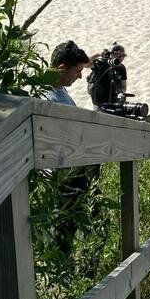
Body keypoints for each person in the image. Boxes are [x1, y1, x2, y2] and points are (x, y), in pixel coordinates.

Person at [44, 41, 102, 258]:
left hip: (75, 172)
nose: (79, 77)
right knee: (64, 233)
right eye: (76, 71)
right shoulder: (47, 97)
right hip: (63, 178)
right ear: (60, 68)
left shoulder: (59, 89)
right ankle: (65, 277)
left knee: (90, 222)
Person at [88, 43, 128, 107]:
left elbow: (123, 86)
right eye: (117, 55)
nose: (120, 58)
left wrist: (121, 93)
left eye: (123, 55)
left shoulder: (122, 68)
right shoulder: (102, 63)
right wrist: (98, 54)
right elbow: (86, 64)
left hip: (114, 100)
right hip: (100, 102)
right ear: (111, 55)